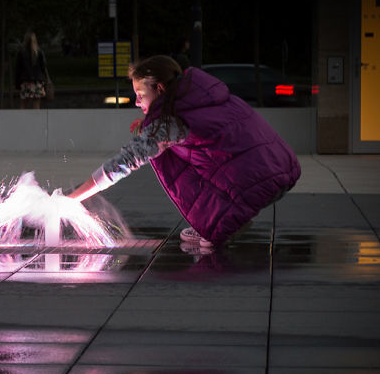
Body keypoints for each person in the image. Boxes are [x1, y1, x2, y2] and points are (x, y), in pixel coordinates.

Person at [67, 55, 300, 248]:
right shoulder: (205, 98)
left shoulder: (171, 124)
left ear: (159, 88)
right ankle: (226, 218)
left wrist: (72, 199)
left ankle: (224, 222)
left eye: (140, 94)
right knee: (180, 152)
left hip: (256, 187)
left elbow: (126, 161)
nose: (137, 102)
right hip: (282, 171)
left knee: (208, 239)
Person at [15, 31, 50, 109]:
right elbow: (43, 67)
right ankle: (36, 120)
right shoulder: (39, 52)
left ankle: (22, 120)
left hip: (25, 81)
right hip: (37, 81)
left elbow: (18, 69)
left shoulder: (21, 52)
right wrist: (46, 79)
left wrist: (17, 84)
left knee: (24, 103)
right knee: (36, 103)